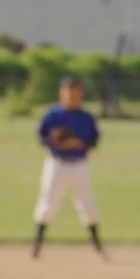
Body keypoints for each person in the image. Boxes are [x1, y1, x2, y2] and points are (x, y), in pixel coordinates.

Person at [33, 76, 107, 260]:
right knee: (48, 204)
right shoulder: (52, 114)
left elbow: (94, 141)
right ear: (62, 92)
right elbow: (41, 139)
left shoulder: (87, 117)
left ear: (80, 93)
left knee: (88, 205)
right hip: (56, 164)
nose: (72, 94)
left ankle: (98, 247)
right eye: (69, 90)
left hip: (80, 165)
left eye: (76, 90)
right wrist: (57, 142)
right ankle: (36, 247)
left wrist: (78, 143)